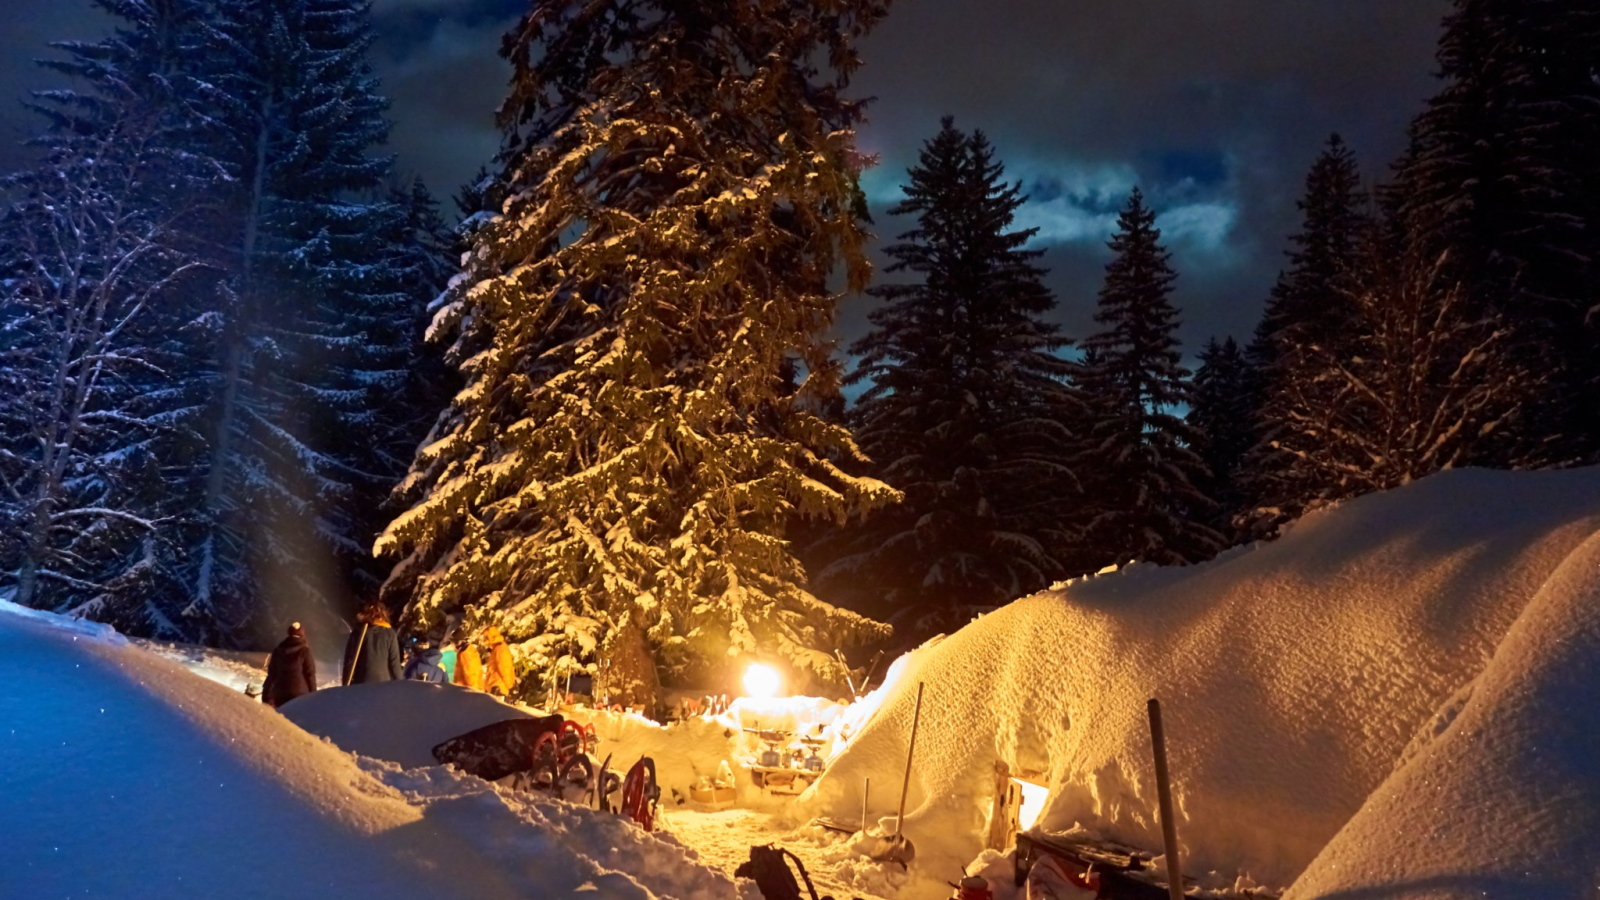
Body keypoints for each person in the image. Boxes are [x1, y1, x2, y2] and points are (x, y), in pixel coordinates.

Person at [343, 601, 403, 685]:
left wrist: (345, 684)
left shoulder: (358, 632)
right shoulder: (389, 633)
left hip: (360, 684)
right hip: (382, 685)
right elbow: (394, 664)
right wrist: (400, 684)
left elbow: (349, 661)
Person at [262, 622, 317, 708]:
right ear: (302, 634)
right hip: (300, 694)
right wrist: (314, 694)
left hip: (280, 693)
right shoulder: (304, 651)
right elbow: (310, 674)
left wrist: (265, 692)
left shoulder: (278, 650)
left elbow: (272, 674)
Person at [483, 625, 516, 697]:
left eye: (486, 637)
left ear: (491, 636)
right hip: (494, 687)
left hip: (499, 688)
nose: (484, 639)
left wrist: (510, 686)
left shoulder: (500, 648)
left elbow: (504, 668)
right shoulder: (496, 648)